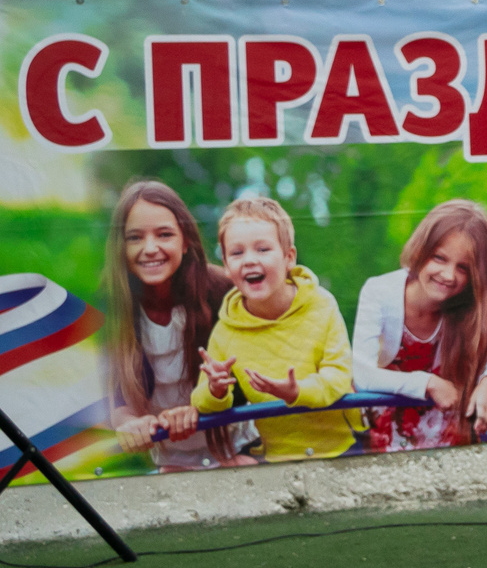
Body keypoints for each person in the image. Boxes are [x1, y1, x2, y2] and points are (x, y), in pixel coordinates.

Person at [190, 196, 361, 460]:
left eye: (262, 249)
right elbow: (200, 400)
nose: (249, 260)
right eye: (237, 253)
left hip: (342, 448)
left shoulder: (322, 304)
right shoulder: (226, 330)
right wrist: (216, 390)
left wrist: (296, 392)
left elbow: (339, 377)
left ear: (288, 256)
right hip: (274, 458)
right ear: (226, 266)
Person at [102, 178, 239, 470]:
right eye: (135, 238)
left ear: (185, 240)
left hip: (233, 444)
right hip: (171, 459)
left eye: (164, 234)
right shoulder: (113, 304)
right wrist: (130, 424)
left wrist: (198, 408)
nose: (150, 248)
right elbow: (118, 398)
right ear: (120, 247)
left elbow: (248, 372)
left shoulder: (221, 290)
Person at [353, 199, 487, 452]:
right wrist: (427, 383)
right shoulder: (379, 292)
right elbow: (361, 374)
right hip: (388, 446)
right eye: (440, 258)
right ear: (421, 250)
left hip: (451, 443)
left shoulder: (472, 309)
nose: (448, 275)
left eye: (463, 268)